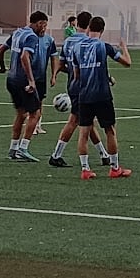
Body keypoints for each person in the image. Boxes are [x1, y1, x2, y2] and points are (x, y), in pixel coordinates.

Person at [48, 10, 111, 168]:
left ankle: (103, 154)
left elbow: (62, 64)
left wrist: (61, 73)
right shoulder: (88, 42)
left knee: (87, 122)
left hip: (72, 85)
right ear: (89, 25)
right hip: (86, 87)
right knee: (75, 121)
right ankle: (56, 154)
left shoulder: (69, 41)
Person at [73, 15, 132, 179]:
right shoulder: (104, 46)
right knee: (110, 130)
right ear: (102, 30)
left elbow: (77, 75)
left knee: (83, 132)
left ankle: (85, 169)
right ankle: (115, 168)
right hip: (102, 95)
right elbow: (127, 62)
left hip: (84, 96)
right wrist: (124, 47)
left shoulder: (77, 48)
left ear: (89, 28)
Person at [0, 11, 48, 162]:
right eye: (44, 25)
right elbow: (24, 56)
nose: (44, 29)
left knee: (21, 113)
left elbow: (0, 50)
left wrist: (2, 67)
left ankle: (13, 148)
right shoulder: (31, 36)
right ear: (38, 23)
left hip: (11, 79)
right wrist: (31, 81)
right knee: (35, 113)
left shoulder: (18, 32)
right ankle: (23, 148)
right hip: (23, 81)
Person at [33, 26, 58, 135]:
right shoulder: (30, 39)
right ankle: (32, 126)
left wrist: (53, 76)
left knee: (40, 101)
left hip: (41, 76)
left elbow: (53, 58)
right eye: (41, 26)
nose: (43, 29)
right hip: (30, 76)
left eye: (45, 26)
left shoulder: (49, 40)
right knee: (32, 102)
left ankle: (38, 125)